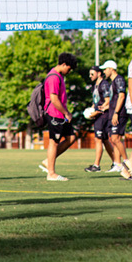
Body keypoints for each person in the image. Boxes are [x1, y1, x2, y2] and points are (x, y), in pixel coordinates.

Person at [39, 53, 78, 181]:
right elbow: (54, 99)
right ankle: (51, 173)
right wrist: (66, 112)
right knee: (53, 142)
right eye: (69, 68)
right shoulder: (54, 77)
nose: (69, 71)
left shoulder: (59, 76)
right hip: (54, 113)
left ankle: (48, 161)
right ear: (63, 64)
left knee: (71, 137)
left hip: (61, 113)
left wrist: (66, 112)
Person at [99, 60, 130, 176]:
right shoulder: (112, 82)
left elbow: (122, 96)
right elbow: (114, 98)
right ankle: (117, 164)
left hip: (120, 113)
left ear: (111, 69)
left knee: (116, 138)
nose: (104, 71)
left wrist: (116, 112)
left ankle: (127, 162)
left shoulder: (119, 80)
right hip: (113, 112)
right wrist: (105, 106)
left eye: (105, 69)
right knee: (114, 138)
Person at [84, 66, 114, 172]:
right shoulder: (94, 86)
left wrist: (96, 112)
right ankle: (116, 163)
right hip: (98, 115)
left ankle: (96, 166)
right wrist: (91, 110)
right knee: (105, 140)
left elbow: (107, 101)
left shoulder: (104, 84)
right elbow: (95, 101)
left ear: (99, 73)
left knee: (98, 139)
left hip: (103, 115)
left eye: (92, 74)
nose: (90, 76)